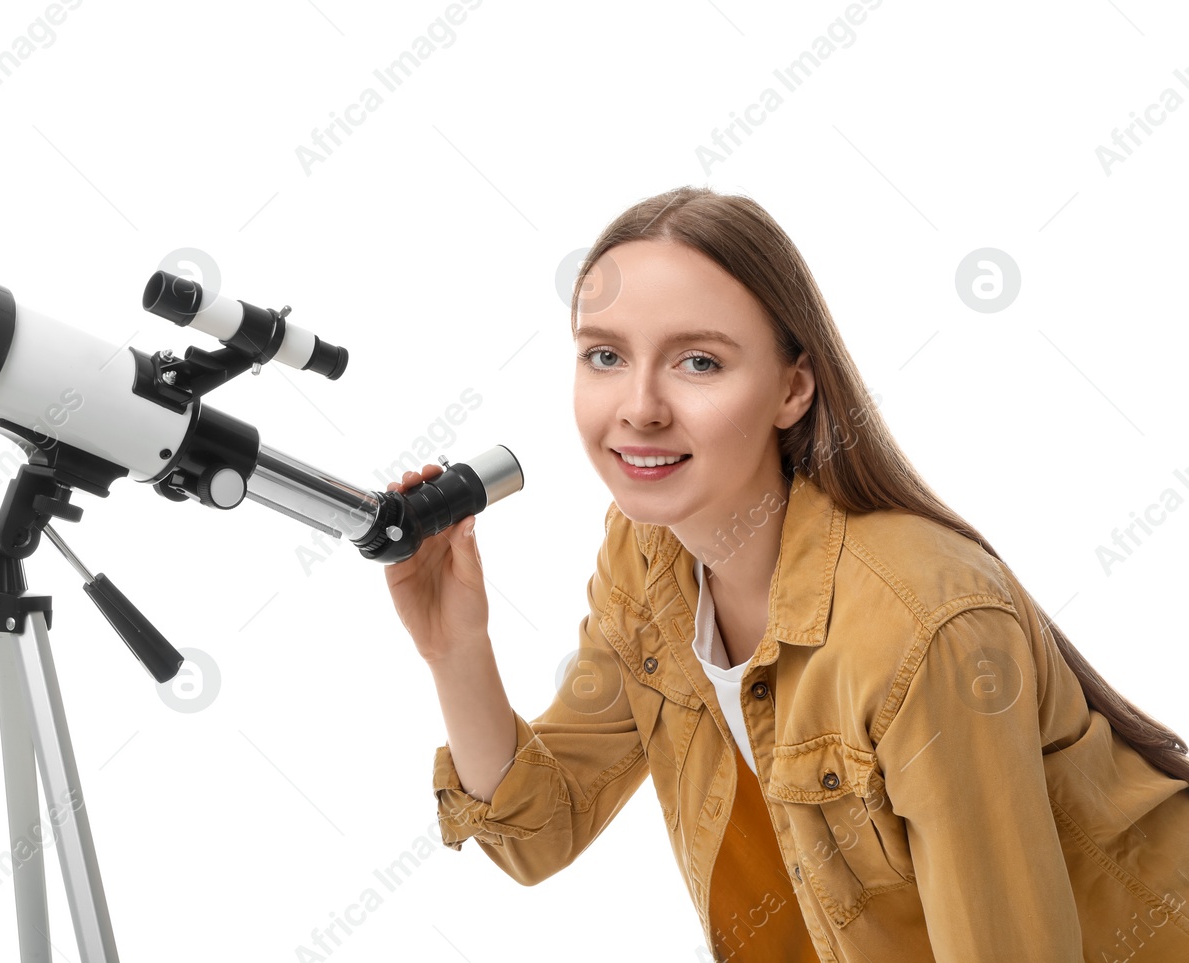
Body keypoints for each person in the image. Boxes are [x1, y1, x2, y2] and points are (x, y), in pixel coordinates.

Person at [382, 186, 1189, 961]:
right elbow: (542, 830)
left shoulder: (922, 624)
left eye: (698, 362)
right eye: (604, 354)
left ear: (792, 388)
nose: (639, 406)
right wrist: (456, 647)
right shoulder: (648, 555)